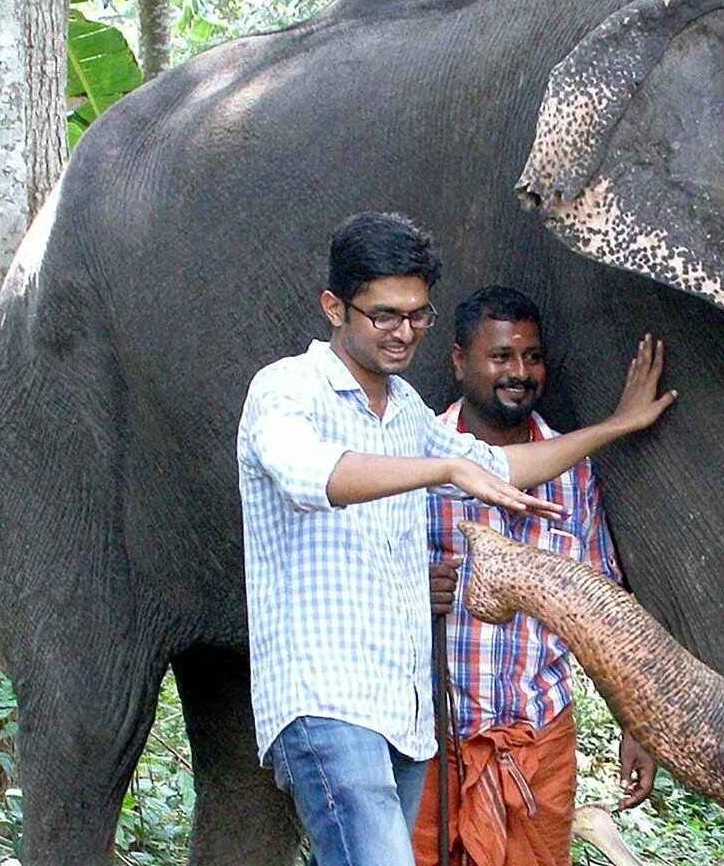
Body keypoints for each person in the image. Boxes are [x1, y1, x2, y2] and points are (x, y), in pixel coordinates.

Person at [236, 213, 676, 866]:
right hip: (327, 702)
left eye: (416, 315)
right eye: (384, 315)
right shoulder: (286, 389)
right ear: (334, 307)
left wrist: (615, 426)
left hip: (406, 713)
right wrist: (445, 468)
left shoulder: (406, 411)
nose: (402, 332)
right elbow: (315, 476)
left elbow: (499, 467)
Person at [414, 287, 657, 866]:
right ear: (458, 361)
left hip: (537, 744)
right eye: (500, 356)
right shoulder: (415, 454)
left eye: (531, 357)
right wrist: (413, 590)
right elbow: (361, 580)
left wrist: (636, 723)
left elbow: (602, 608)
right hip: (426, 739)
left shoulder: (574, 472)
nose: (519, 373)